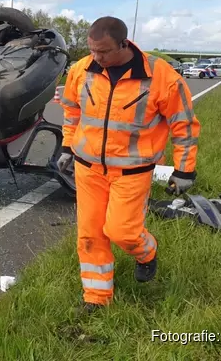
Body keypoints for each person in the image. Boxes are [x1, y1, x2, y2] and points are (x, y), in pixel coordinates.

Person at [57, 16, 200, 311]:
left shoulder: (160, 76)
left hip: (133, 172)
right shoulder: (81, 70)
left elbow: (183, 125)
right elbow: (71, 110)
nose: (97, 58)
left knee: (122, 231)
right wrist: (68, 147)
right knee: (90, 234)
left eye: (104, 52)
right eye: (93, 50)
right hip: (88, 169)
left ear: (124, 44)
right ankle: (97, 298)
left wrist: (185, 169)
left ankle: (147, 253)